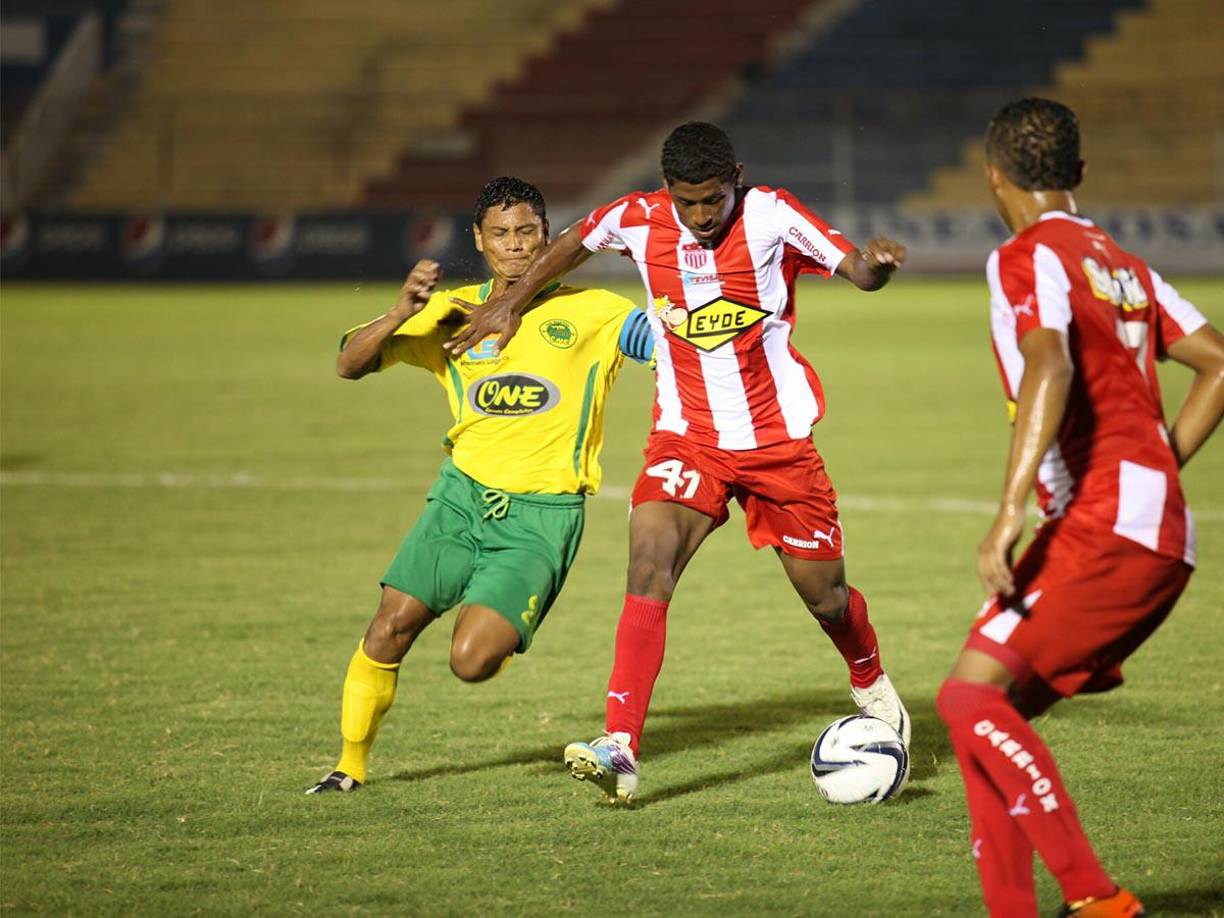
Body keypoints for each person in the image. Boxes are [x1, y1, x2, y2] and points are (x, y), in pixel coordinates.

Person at [448, 122, 911, 804]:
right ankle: (621, 746)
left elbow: (857, 272)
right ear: (668, 190)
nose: (699, 217)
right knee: (649, 555)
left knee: (827, 597)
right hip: (686, 437)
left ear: (737, 180)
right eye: (687, 202)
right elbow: (576, 238)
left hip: (778, 443)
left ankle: (870, 682)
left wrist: (878, 266)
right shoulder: (639, 217)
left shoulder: (773, 214)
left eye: (713, 201)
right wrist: (509, 303)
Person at [934, 98, 1224, 917]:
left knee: (966, 702)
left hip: (1105, 528)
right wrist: (1159, 465)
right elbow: (1218, 365)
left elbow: (1049, 365)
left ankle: (1098, 901)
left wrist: (1009, 509)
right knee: (978, 711)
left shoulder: (1026, 256)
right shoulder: (1124, 263)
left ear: (993, 178)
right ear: (1080, 175)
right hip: (1142, 522)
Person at [307, 177, 653, 793]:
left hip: (540, 517)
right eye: (501, 234)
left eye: (527, 232)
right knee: (388, 626)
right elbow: (348, 364)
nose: (516, 246)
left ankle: (493, 631)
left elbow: (669, 346)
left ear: (548, 235)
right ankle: (347, 769)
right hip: (459, 500)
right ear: (479, 239)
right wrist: (399, 314)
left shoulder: (596, 311)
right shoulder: (452, 313)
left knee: (470, 662)